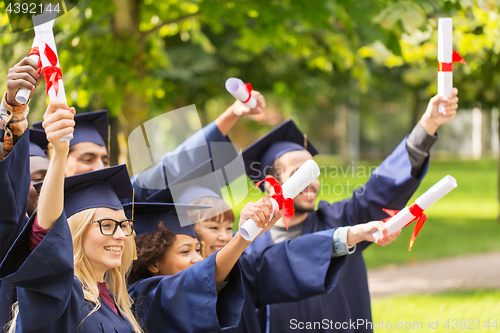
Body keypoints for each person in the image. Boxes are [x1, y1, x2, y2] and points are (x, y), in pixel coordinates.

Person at [241, 90, 459, 333]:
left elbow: (382, 189)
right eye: (298, 173)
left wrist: (428, 124)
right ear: (271, 183)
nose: (311, 182)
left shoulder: (342, 220)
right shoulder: (247, 248)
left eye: (313, 173)